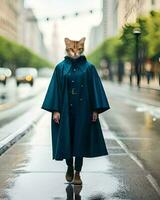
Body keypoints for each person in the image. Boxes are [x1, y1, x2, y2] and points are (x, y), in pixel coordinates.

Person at [41, 37, 110, 185]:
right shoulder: (60, 68)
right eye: (72, 49)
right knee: (66, 138)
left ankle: (78, 172)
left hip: (83, 110)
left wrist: (95, 110)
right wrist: (55, 110)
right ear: (66, 49)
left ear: (82, 48)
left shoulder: (89, 68)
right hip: (65, 110)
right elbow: (55, 89)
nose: (75, 53)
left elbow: (95, 89)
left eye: (78, 49)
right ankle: (69, 167)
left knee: (80, 140)